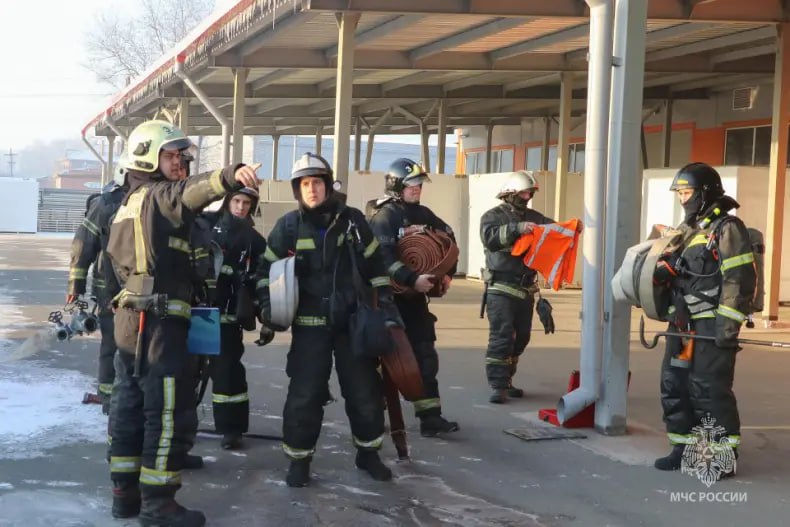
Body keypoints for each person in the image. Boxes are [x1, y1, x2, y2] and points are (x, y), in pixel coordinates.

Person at [105, 119, 260, 526]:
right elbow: (192, 192)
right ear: (147, 156)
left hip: (130, 317)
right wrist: (228, 176)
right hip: (159, 324)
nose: (181, 163)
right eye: (172, 155)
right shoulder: (158, 196)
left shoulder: (127, 202)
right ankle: (159, 506)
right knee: (169, 411)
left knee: (128, 405)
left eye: (183, 157)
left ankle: (125, 494)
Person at [255, 152, 400, 488]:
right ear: (297, 189)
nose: (312, 190)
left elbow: (377, 269)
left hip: (352, 325)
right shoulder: (288, 226)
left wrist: (387, 314)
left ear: (327, 185)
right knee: (304, 396)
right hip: (308, 328)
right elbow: (264, 271)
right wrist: (267, 305)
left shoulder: (353, 222)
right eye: (304, 184)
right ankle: (299, 461)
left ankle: (368, 455)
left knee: (364, 393)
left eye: (317, 182)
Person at [654, 162, 756, 475]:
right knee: (676, 385)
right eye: (679, 193)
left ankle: (721, 458)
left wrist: (727, 327)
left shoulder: (727, 228)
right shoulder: (686, 231)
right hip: (683, 326)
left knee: (708, 390)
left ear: (705, 192)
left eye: (686, 192)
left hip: (711, 326)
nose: (682, 199)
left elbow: (738, 279)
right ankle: (682, 449)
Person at [366, 158, 459, 437]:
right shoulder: (384, 217)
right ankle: (373, 414)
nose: (417, 189)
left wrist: (445, 272)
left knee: (425, 356)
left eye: (419, 185)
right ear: (396, 185)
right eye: (412, 185)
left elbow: (448, 238)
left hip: (415, 301)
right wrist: (410, 279)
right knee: (383, 364)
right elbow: (383, 257)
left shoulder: (423, 213)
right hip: (385, 302)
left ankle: (430, 417)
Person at [479, 171, 558, 404]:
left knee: (521, 337)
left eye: (530, 193)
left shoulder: (534, 216)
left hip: (525, 289)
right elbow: (489, 238)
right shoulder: (491, 216)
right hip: (500, 288)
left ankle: (508, 380)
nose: (527, 197)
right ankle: (498, 385)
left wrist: (571, 228)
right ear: (510, 193)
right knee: (501, 337)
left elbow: (553, 230)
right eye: (523, 192)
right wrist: (516, 229)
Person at [205, 186, 267, 450]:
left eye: (246, 203)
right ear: (227, 201)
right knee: (190, 372)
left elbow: (264, 279)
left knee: (227, 372)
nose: (241, 207)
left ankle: (232, 429)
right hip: (201, 314)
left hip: (229, 318)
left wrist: (265, 314)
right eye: (237, 201)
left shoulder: (255, 240)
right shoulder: (206, 226)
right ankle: (180, 424)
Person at [67, 156, 128, 414]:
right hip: (109, 290)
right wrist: (75, 285)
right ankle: (108, 397)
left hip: (144, 289)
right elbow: (83, 244)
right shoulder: (106, 203)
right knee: (112, 344)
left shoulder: (153, 197)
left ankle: (128, 397)